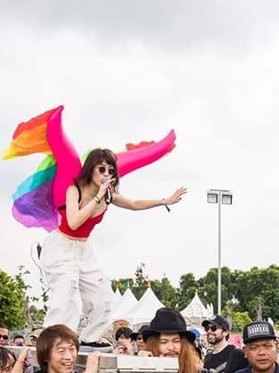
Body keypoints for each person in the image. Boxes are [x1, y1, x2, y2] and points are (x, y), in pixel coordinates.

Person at [37, 147, 186, 345]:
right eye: (101, 169)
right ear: (91, 169)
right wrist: (97, 196)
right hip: (61, 247)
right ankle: (54, 340)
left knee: (104, 298)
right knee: (67, 296)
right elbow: (73, 222)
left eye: (111, 171)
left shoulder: (109, 195)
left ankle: (88, 339)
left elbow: (134, 203)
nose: (106, 174)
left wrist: (165, 201)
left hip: (83, 250)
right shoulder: (75, 189)